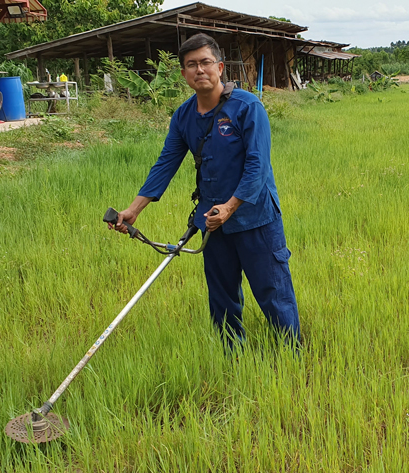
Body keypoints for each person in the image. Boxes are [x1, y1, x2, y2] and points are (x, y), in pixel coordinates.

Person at [109, 33, 300, 347]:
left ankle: (293, 353)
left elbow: (258, 166)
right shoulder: (184, 116)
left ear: (220, 67)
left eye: (206, 62)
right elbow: (165, 165)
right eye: (191, 65)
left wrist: (230, 207)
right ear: (183, 74)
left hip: (256, 219)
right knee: (222, 297)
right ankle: (231, 355)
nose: (200, 70)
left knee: (272, 291)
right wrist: (133, 209)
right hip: (213, 222)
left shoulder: (247, 107)